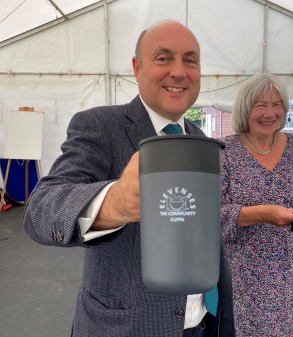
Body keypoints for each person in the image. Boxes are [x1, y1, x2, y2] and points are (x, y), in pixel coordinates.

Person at [23, 20, 235, 337]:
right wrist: (116, 203)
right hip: (128, 328)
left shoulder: (201, 139)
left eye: (190, 60)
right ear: (137, 68)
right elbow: (41, 210)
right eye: (163, 58)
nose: (179, 71)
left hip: (204, 325)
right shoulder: (100, 125)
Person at [220, 73, 293, 337]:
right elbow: (210, 215)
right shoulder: (224, 151)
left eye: (277, 104)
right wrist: (261, 214)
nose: (270, 113)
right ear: (245, 108)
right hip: (244, 278)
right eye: (260, 105)